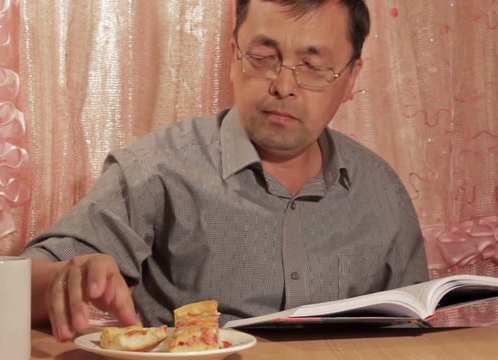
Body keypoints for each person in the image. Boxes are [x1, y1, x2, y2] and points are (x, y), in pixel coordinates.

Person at [23, 0, 429, 341]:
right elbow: (20, 286)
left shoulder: (381, 191)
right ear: (234, 56)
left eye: (312, 66)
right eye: (264, 58)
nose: (283, 85)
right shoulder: (158, 170)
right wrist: (65, 277)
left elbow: (413, 327)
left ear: (351, 77)